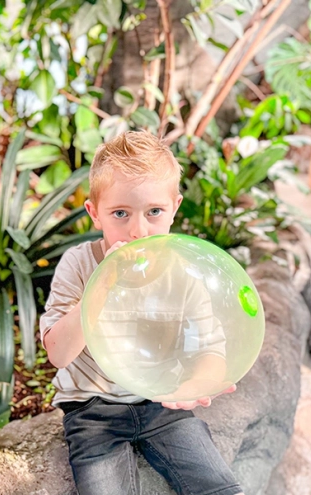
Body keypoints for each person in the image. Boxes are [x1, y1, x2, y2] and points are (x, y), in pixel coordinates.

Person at [40, 130, 243, 495]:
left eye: (154, 212)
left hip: (162, 404)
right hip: (92, 410)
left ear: (174, 208)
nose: (138, 230)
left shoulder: (183, 271)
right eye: (120, 213)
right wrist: (103, 283)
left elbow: (210, 348)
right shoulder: (78, 263)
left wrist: (197, 384)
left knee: (220, 487)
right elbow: (58, 353)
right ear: (94, 213)